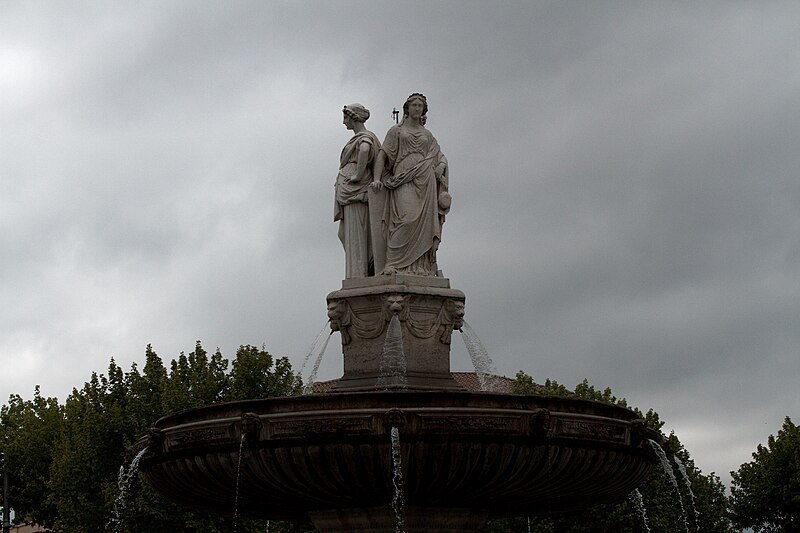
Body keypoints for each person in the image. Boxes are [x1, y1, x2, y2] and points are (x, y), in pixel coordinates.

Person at [371, 93, 449, 276]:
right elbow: (383, 155)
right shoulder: (396, 131)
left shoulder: (427, 135)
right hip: (402, 177)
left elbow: (440, 156)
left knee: (424, 224)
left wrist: (441, 167)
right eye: (414, 105)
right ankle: (393, 263)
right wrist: (376, 178)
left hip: (426, 180)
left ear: (424, 110)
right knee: (405, 219)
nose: (417, 108)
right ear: (407, 108)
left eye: (420, 106)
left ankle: (420, 267)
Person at [335, 103, 381, 278]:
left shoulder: (365, 136)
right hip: (349, 191)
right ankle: (359, 271)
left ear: (353, 118)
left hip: (355, 191)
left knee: (356, 233)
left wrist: (358, 174)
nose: (343, 122)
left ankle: (358, 275)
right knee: (344, 233)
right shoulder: (360, 137)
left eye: (345, 118)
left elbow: (364, 149)